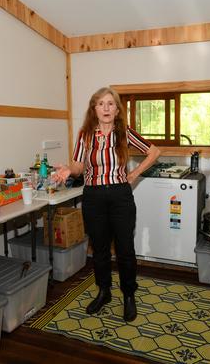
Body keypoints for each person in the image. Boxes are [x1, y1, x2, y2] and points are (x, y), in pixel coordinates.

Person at [53, 87, 160, 321]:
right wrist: (69, 170)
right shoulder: (85, 134)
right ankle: (104, 292)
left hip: (121, 196)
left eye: (111, 103)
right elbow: (79, 166)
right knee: (99, 249)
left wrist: (134, 175)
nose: (106, 108)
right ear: (94, 109)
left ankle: (129, 295)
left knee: (125, 249)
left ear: (117, 109)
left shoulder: (125, 132)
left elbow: (154, 152)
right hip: (93, 197)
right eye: (101, 104)